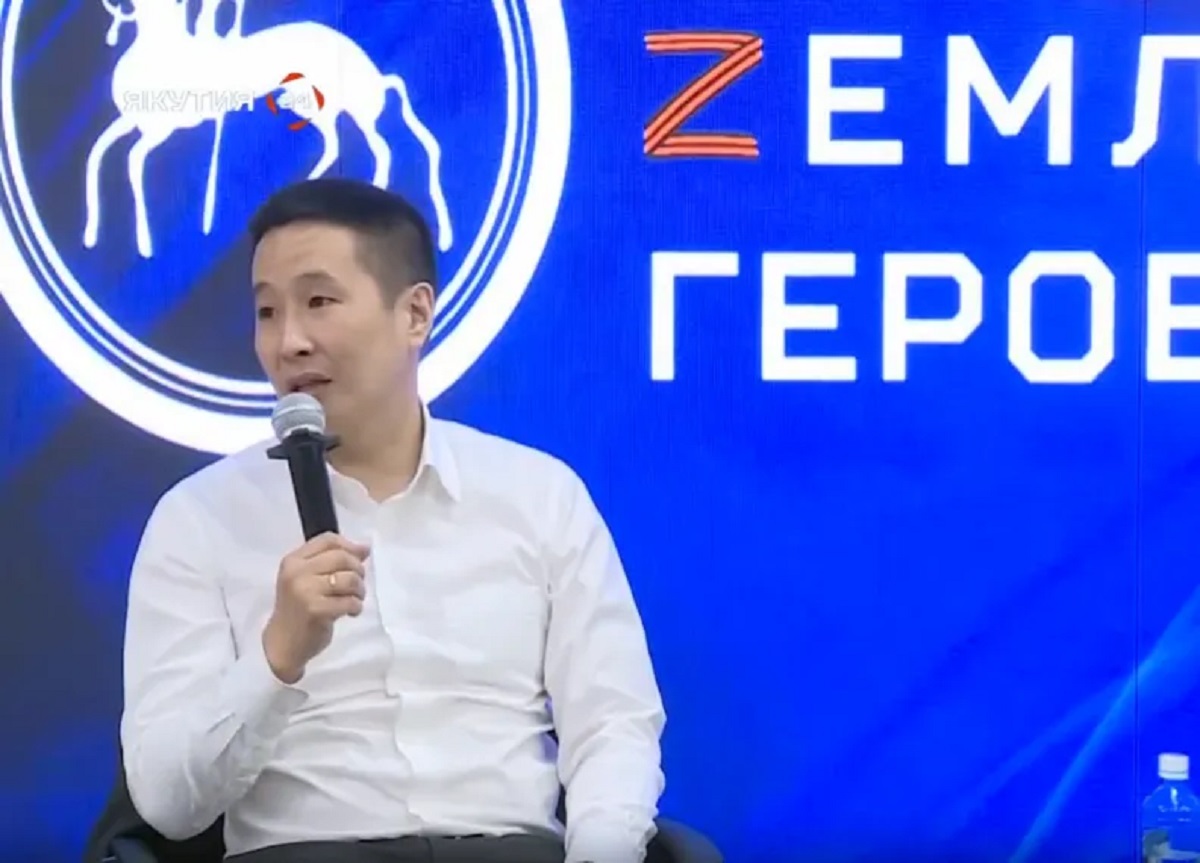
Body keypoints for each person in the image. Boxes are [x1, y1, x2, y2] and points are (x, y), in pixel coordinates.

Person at [119, 178, 666, 863]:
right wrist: (278, 653)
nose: (289, 342)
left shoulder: (538, 495)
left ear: (415, 314)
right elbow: (167, 805)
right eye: (266, 311)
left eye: (319, 302)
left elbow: (614, 723)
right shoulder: (199, 518)